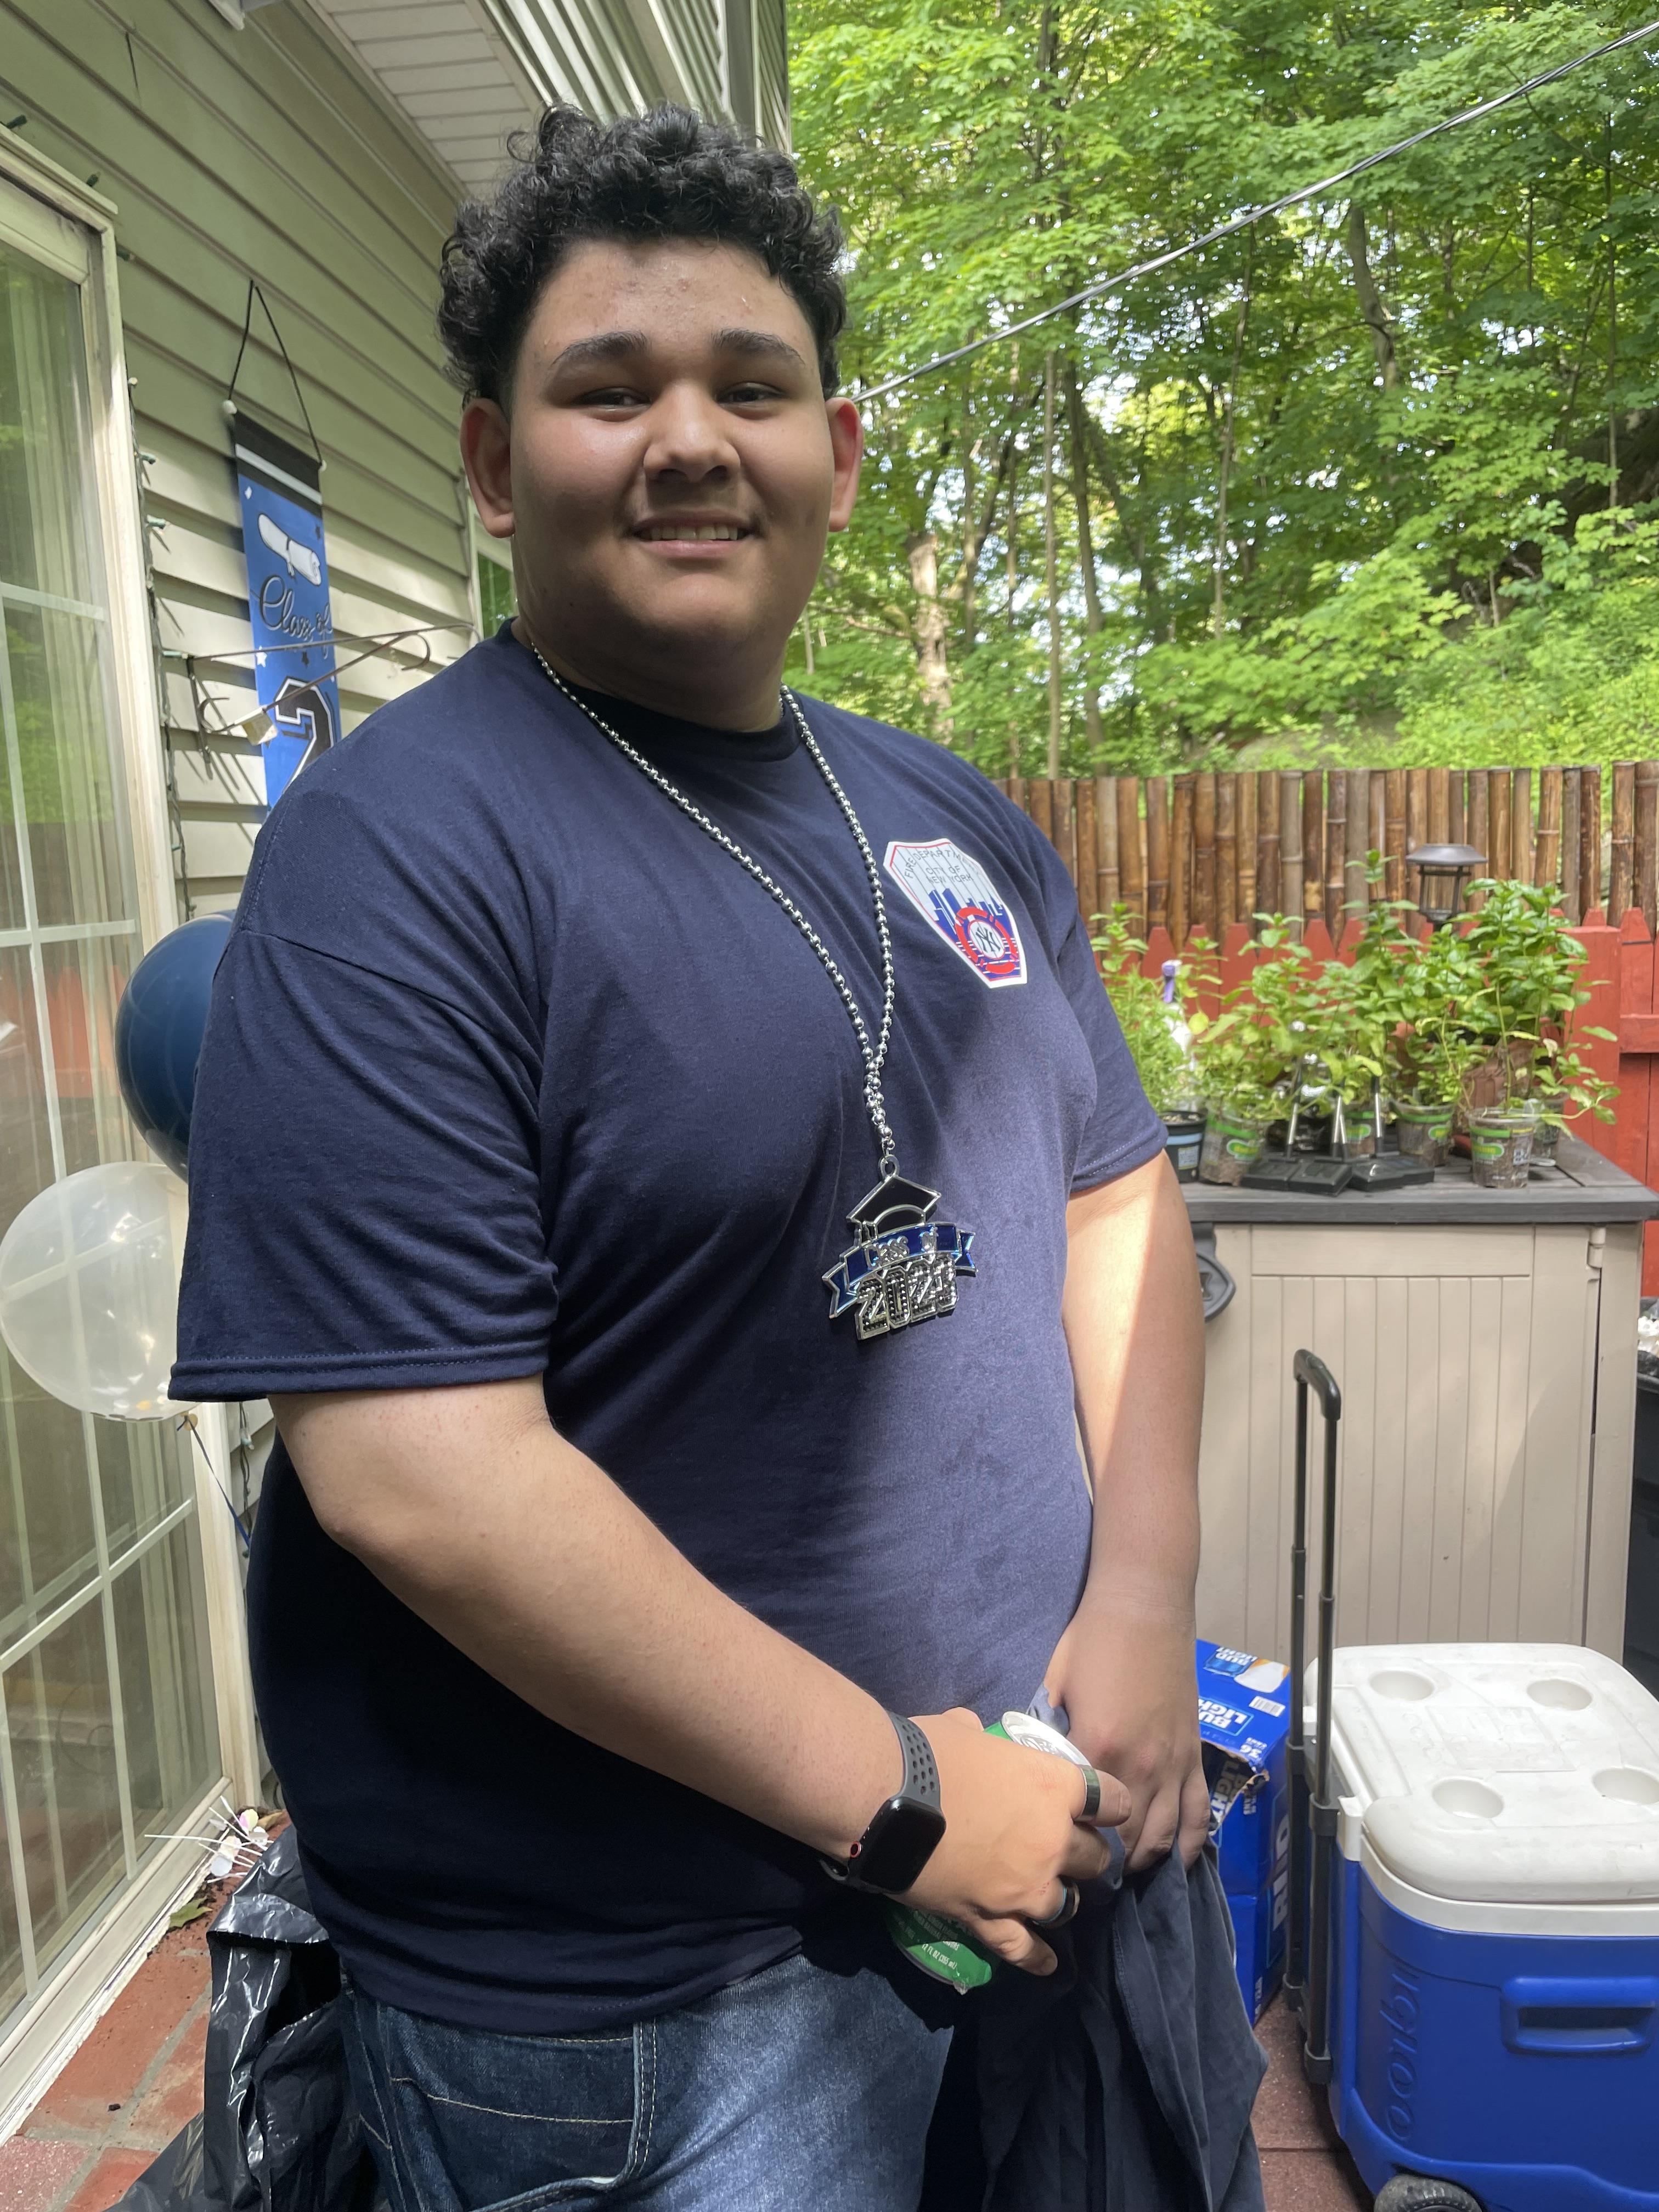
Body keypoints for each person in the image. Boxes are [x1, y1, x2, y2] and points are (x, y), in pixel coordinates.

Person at [173, 103, 1209, 2212]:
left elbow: (1116, 1197)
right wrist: (905, 1800)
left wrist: (1148, 1601)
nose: (688, 441)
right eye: (606, 389)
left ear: (837, 444)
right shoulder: (397, 860)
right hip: (653, 2010)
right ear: (488, 465)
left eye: (748, 388)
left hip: (1027, 1840)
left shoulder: (944, 814)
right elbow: (423, 1477)